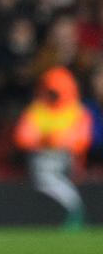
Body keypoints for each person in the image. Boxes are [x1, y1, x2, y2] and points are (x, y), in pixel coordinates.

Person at [13, 66, 92, 229]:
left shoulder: (77, 111)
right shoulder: (37, 110)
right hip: (41, 157)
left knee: (47, 171)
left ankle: (73, 207)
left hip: (68, 159)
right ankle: (69, 207)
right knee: (43, 168)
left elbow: (82, 140)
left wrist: (59, 140)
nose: (53, 95)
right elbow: (23, 138)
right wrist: (45, 140)